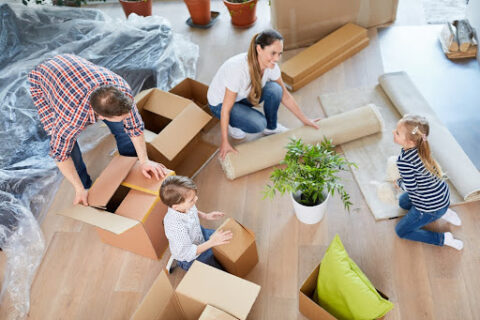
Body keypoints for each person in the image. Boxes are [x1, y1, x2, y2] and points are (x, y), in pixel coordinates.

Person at [28, 54, 166, 206]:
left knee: (124, 129)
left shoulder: (121, 89)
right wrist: (79, 188)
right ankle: (85, 184)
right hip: (43, 78)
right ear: (100, 116)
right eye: (121, 116)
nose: (128, 117)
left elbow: (134, 128)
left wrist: (144, 161)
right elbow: (60, 156)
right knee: (67, 146)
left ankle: (130, 163)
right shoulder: (71, 119)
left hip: (70, 62)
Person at [207, 29, 319, 159]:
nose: (276, 58)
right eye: (273, 53)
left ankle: (271, 127)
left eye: (279, 54)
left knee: (275, 89)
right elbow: (226, 108)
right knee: (258, 124)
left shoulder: (271, 66)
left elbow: (285, 95)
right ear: (259, 49)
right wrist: (225, 142)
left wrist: (305, 120)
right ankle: (234, 124)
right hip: (220, 105)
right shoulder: (237, 70)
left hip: (242, 96)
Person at [393, 114, 463, 250]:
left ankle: (443, 238)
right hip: (442, 196)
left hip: (429, 207)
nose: (393, 133)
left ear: (410, 142)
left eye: (397, 133)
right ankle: (444, 211)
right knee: (403, 202)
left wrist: (399, 183)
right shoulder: (422, 147)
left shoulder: (403, 161)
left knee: (401, 231)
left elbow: (411, 188)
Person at [160, 175, 232, 271]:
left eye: (195, 196)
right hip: (192, 257)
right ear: (176, 207)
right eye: (192, 200)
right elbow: (188, 253)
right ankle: (183, 264)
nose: (196, 199)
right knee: (218, 269)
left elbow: (191, 211)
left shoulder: (184, 206)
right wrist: (212, 242)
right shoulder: (176, 227)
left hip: (199, 235)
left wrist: (205, 215)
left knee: (224, 239)